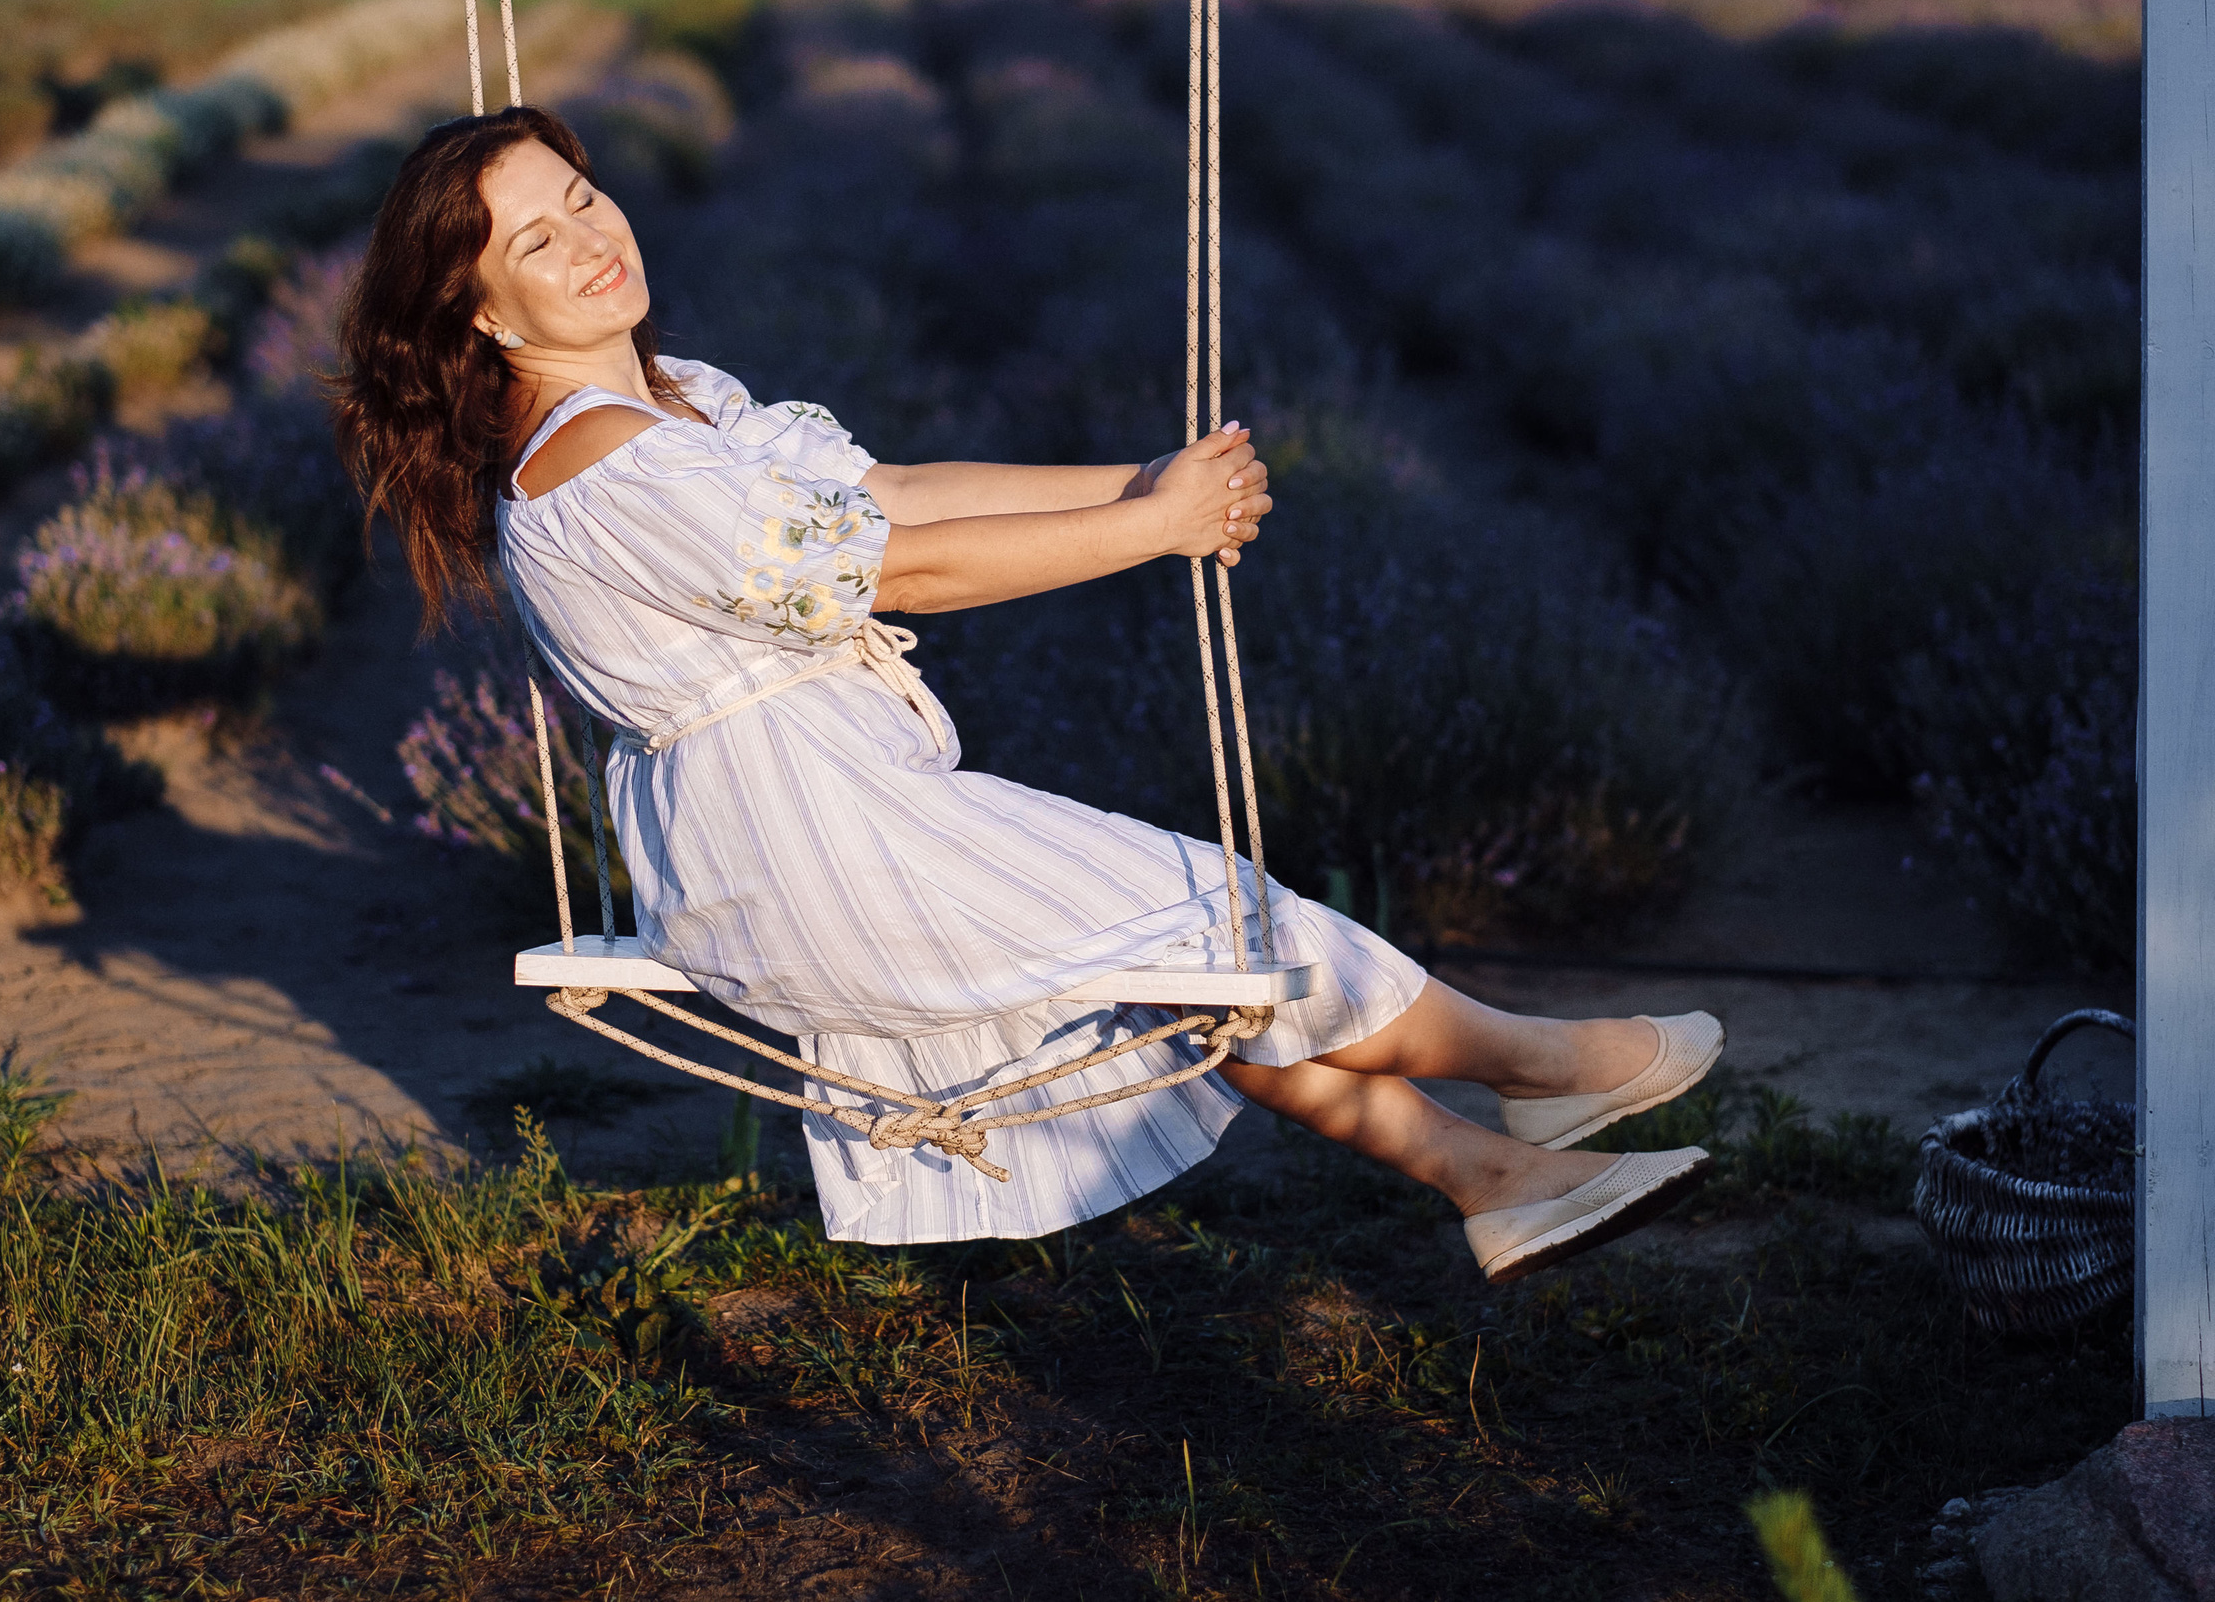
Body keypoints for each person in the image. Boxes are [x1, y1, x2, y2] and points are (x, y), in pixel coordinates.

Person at [331, 107, 1721, 1280]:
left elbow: (888, 498)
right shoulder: (599, 461)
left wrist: (1137, 482)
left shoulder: (675, 400)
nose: (589, 241)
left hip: (840, 809)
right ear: (476, 306)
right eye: (537, 241)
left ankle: (1499, 1184)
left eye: (582, 198)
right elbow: (899, 574)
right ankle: (1533, 1061)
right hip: (800, 843)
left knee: (1163, 980)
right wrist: (1150, 531)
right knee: (1210, 923)